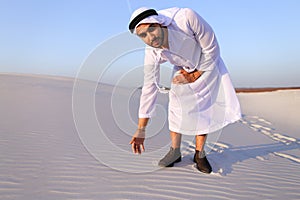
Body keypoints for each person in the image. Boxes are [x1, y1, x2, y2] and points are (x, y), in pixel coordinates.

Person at [128, 7, 241, 174]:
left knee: (203, 110)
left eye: (151, 29)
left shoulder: (186, 18)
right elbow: (149, 86)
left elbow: (212, 48)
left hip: (208, 64)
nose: (150, 37)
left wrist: (195, 75)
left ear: (159, 23)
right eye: (143, 35)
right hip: (182, 68)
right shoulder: (151, 52)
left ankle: (200, 154)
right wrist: (141, 128)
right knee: (175, 108)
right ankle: (175, 151)